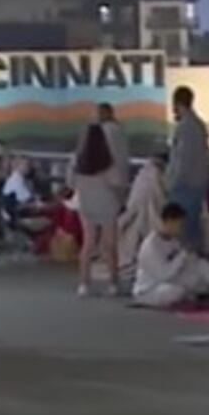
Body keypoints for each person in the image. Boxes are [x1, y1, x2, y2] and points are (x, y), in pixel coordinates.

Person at [131, 202, 209, 308]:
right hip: (150, 289)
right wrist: (182, 255)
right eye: (180, 225)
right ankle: (194, 295)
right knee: (177, 290)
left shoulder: (173, 241)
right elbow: (164, 275)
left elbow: (184, 264)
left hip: (171, 281)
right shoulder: (151, 246)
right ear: (169, 222)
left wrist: (192, 258)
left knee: (201, 266)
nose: (182, 229)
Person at [68, 122, 128, 296]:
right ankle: (113, 284)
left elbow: (70, 183)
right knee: (110, 246)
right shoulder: (107, 161)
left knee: (88, 245)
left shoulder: (77, 161)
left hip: (86, 206)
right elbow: (117, 183)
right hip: (107, 206)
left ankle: (84, 284)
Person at [163, 87, 209, 253]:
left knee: (182, 233)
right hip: (196, 186)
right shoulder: (199, 125)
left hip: (184, 187)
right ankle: (194, 264)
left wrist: (169, 182)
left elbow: (181, 161)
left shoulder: (185, 127)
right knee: (192, 230)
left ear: (177, 103)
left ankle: (186, 268)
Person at [118, 153, 169, 280]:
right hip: (148, 214)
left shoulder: (141, 176)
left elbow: (132, 201)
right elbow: (160, 198)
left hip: (136, 213)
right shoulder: (157, 176)